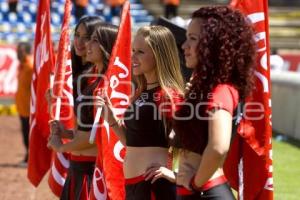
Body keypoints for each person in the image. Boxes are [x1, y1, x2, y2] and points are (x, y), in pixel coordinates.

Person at [172, 6, 256, 199]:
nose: (184, 46)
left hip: (205, 190)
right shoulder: (205, 88)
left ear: (213, 44)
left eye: (193, 39)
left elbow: (218, 147)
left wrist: (195, 183)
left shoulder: (221, 89)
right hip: (195, 189)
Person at [96, 25, 184, 199]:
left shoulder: (168, 95)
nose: (133, 57)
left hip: (154, 185)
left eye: (140, 52)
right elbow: (132, 141)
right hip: (133, 184)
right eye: (133, 50)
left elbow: (197, 142)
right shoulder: (140, 92)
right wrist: (111, 118)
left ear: (159, 56)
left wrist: (176, 174)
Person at [47, 16, 103, 200]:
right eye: (77, 35)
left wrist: (62, 147)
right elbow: (84, 126)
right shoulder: (80, 73)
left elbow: (98, 133)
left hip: (92, 166)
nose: (79, 42)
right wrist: (65, 132)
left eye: (87, 37)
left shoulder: (99, 78)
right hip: (77, 163)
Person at [15, 42, 33, 166]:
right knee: (25, 133)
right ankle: (28, 157)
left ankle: (30, 159)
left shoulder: (31, 67)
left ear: (26, 52)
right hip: (22, 106)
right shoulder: (21, 66)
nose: (17, 53)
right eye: (17, 51)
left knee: (29, 134)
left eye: (20, 51)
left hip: (29, 107)